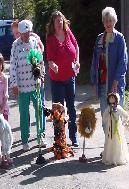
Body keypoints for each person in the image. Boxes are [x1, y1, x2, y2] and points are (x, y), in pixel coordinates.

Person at [46, 10, 80, 147]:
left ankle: (73, 137)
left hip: (70, 77)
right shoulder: (50, 39)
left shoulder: (68, 32)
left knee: (71, 108)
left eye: (61, 20)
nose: (59, 23)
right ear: (53, 24)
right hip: (57, 80)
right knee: (58, 110)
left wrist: (77, 61)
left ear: (64, 21)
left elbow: (76, 47)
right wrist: (53, 65)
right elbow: (50, 59)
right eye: (56, 21)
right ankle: (60, 140)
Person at [10, 19, 45, 151]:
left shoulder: (34, 42)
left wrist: (42, 77)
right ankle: (25, 140)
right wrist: (13, 84)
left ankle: (40, 137)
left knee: (39, 110)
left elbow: (40, 61)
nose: (26, 35)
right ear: (20, 33)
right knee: (24, 114)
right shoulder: (15, 45)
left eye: (28, 33)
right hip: (22, 86)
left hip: (35, 83)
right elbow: (12, 65)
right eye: (23, 33)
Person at [90, 7, 128, 117]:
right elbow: (94, 61)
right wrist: (93, 81)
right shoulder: (99, 39)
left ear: (115, 21)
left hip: (115, 84)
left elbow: (123, 61)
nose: (108, 23)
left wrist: (116, 80)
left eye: (110, 20)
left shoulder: (119, 38)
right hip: (102, 84)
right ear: (103, 23)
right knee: (105, 118)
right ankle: (107, 135)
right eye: (106, 21)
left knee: (116, 119)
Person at [102, 93, 129, 165]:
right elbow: (104, 117)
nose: (111, 99)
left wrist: (122, 123)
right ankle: (109, 157)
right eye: (110, 98)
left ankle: (118, 158)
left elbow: (126, 115)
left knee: (117, 141)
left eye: (113, 98)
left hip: (117, 128)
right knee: (110, 141)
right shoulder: (108, 108)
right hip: (109, 128)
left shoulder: (118, 108)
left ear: (116, 99)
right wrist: (107, 120)